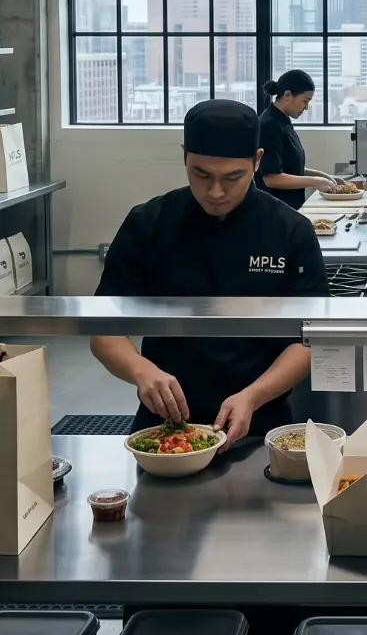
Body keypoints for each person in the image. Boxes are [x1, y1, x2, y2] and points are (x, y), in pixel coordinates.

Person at [90, 99, 324, 446]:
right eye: (201, 175)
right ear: (184, 156)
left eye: (233, 177)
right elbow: (103, 330)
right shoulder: (148, 223)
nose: (215, 192)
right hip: (164, 424)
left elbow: (309, 338)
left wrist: (254, 395)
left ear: (257, 160)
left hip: (260, 422)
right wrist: (142, 371)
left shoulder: (290, 230)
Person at [257, 69, 343, 211]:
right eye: (305, 101)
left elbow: (290, 168)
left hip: (290, 209)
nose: (306, 108)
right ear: (288, 95)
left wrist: (325, 176)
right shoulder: (269, 125)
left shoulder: (283, 120)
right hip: (274, 211)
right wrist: (314, 182)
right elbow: (272, 178)